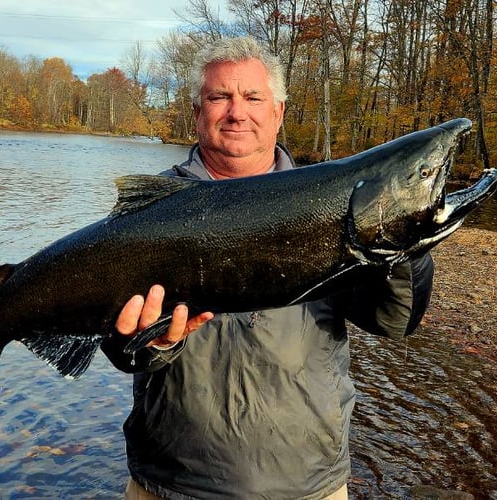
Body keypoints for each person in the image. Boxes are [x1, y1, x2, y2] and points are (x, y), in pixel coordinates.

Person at [101, 37, 434, 500]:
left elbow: (395, 321)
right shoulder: (149, 212)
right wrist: (144, 345)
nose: (237, 112)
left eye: (253, 97)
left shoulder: (333, 204)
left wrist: (399, 232)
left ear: (277, 112)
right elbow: (119, 350)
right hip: (170, 485)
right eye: (220, 97)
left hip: (309, 485)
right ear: (197, 113)